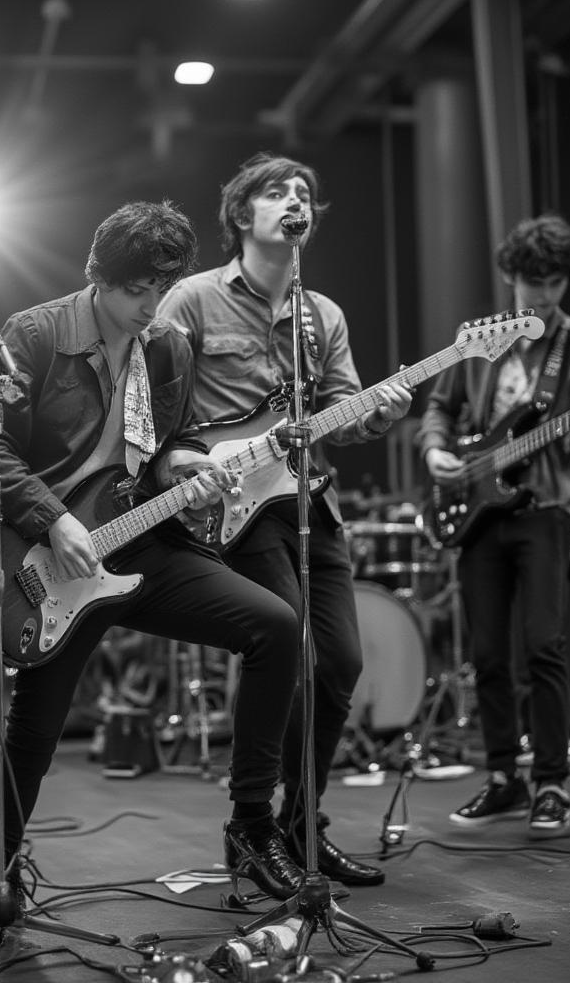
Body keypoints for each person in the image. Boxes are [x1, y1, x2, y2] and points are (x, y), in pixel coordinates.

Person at [0, 200, 305, 907]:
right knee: (37, 722)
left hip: (143, 540)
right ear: (99, 278)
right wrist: (52, 520)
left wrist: (185, 466)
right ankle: (2, 866)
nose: (149, 305)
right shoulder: (36, 333)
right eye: (134, 289)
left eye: (160, 289)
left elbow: (168, 444)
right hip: (54, 563)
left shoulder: (168, 343)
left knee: (278, 626)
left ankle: (252, 826)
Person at [158, 153, 414, 887]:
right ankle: (251, 826)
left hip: (310, 499)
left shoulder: (321, 313)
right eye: (277, 192)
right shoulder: (192, 301)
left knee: (339, 664)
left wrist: (381, 411)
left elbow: (343, 408)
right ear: (243, 215)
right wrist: (183, 463)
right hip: (234, 509)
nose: (295, 200)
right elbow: (152, 406)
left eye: (304, 192)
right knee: (288, 649)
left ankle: (302, 826)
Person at [417, 213, 570, 835]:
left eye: (555, 282)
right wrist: (435, 453)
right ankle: (502, 775)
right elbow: (440, 410)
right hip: (479, 512)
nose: (544, 294)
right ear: (511, 276)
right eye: (534, 281)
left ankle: (550, 782)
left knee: (543, 645)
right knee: (486, 652)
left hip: (546, 509)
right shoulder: (478, 338)